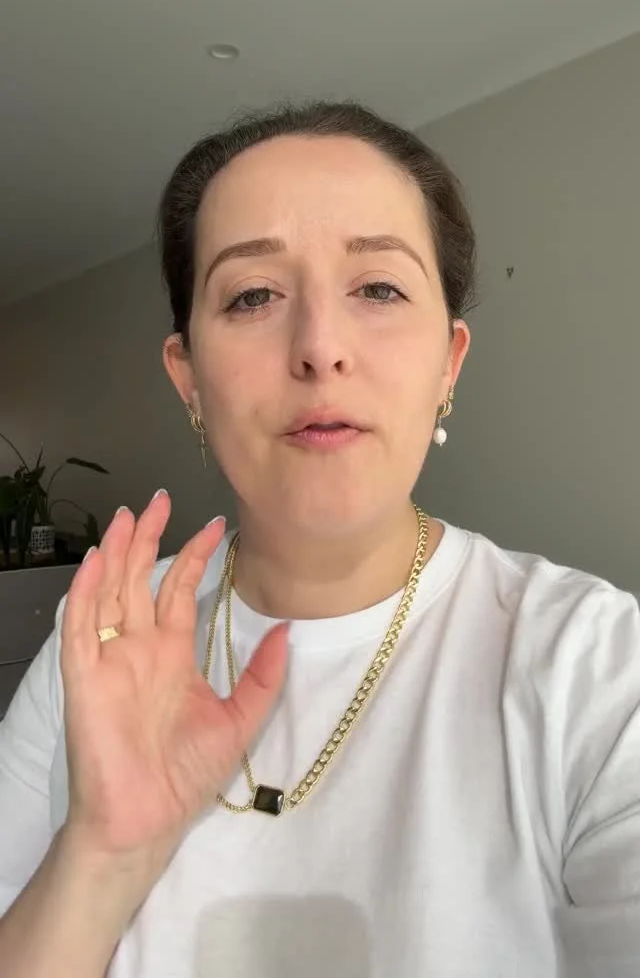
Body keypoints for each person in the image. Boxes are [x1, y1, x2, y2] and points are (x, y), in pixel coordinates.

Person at [0, 101, 638, 978]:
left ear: (448, 363)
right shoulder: (103, 636)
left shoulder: (596, 668)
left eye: (378, 288)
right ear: (189, 379)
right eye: (253, 295)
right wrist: (102, 854)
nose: (321, 347)